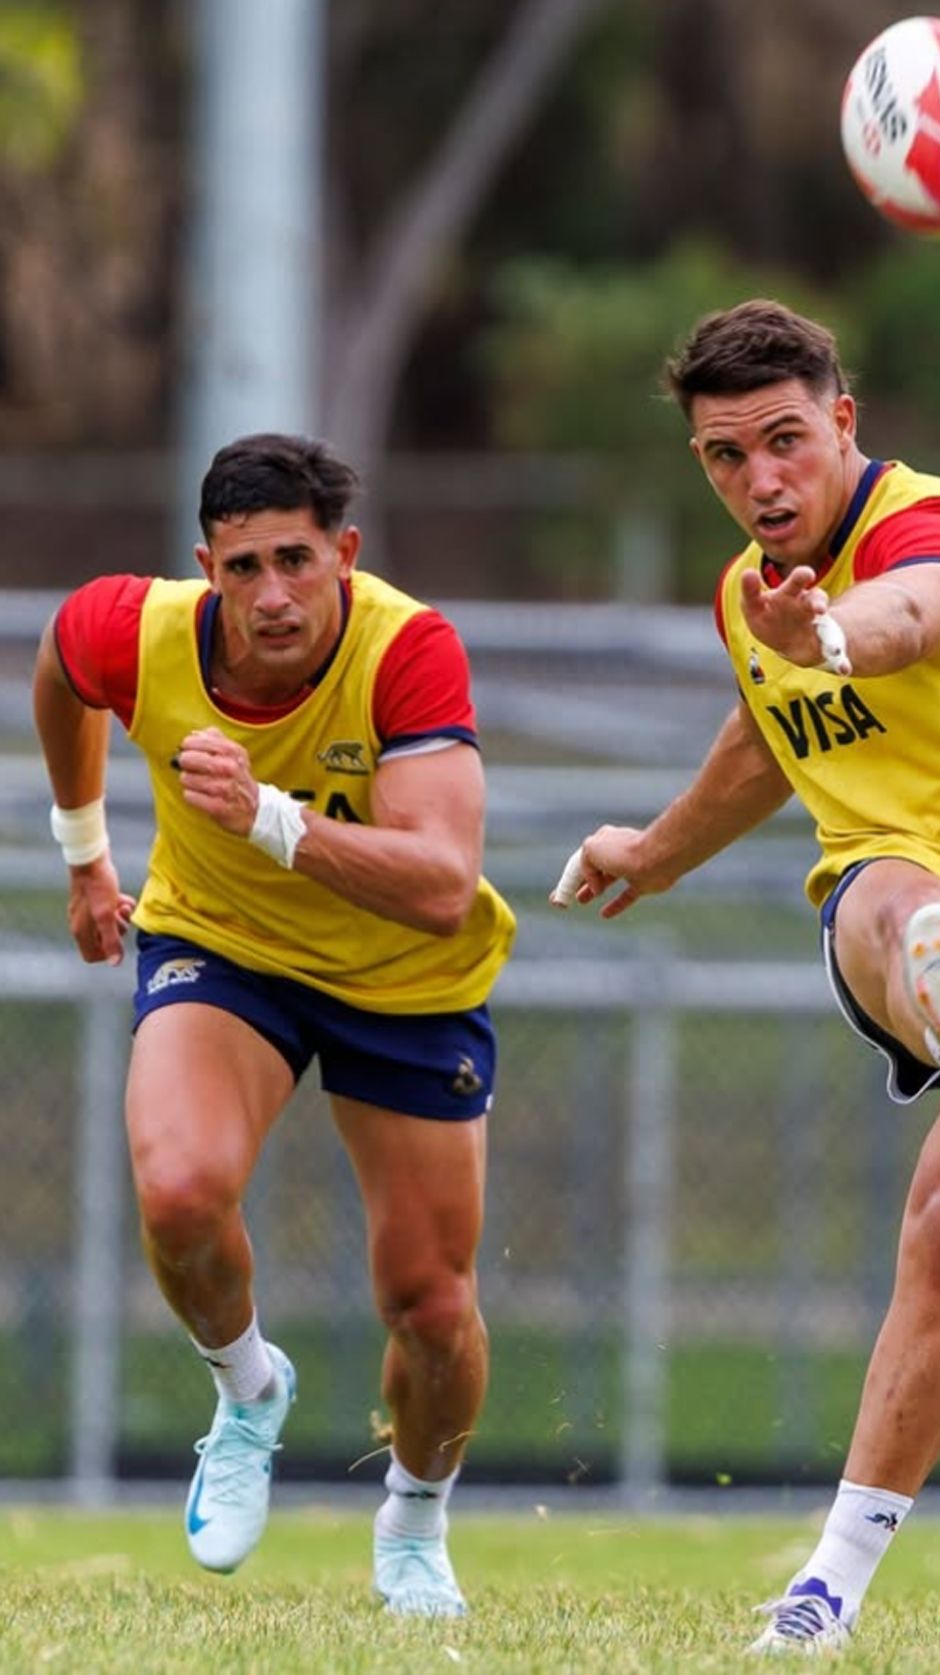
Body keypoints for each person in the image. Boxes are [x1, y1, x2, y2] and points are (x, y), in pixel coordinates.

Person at [552, 301, 940, 1654]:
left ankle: (837, 1568)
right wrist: (655, 852)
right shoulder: (748, 598)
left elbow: (912, 615)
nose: (759, 480)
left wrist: (830, 633)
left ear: (844, 421)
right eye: (725, 458)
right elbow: (767, 739)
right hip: (895, 894)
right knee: (890, 891)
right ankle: (823, 1592)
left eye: (784, 441)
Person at [32, 433, 515, 1617]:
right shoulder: (136, 632)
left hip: (403, 977)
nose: (272, 596)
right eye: (242, 569)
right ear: (207, 565)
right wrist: (86, 856)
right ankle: (249, 1394)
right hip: (223, 946)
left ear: (345, 554)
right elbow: (57, 668)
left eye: (296, 560)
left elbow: (444, 882)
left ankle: (413, 1518)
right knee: (181, 1190)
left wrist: (270, 818)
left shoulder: (408, 649)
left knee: (432, 1304)